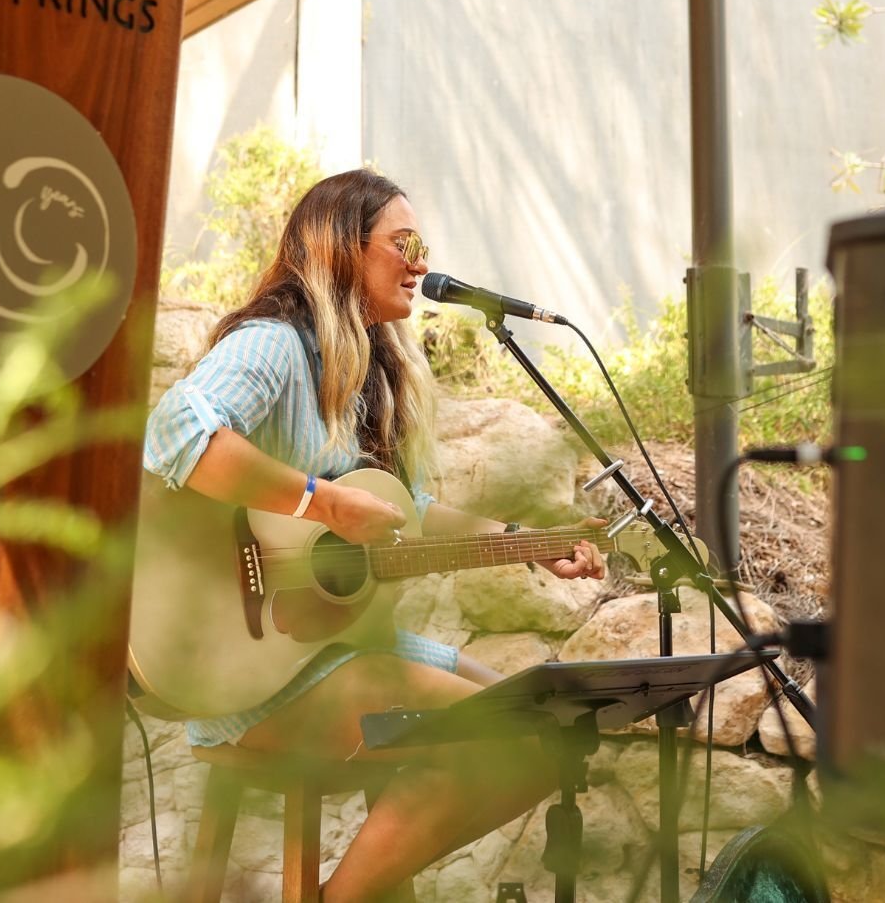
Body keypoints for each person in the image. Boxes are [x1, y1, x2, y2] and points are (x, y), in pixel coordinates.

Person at [143, 169, 606, 900]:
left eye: (422, 244)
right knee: (498, 733)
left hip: (331, 650)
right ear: (341, 247)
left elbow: (405, 509)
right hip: (253, 667)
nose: (421, 261)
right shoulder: (273, 346)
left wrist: (526, 539)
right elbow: (176, 432)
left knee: (547, 732)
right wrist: (320, 503)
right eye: (404, 242)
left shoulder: (368, 372)